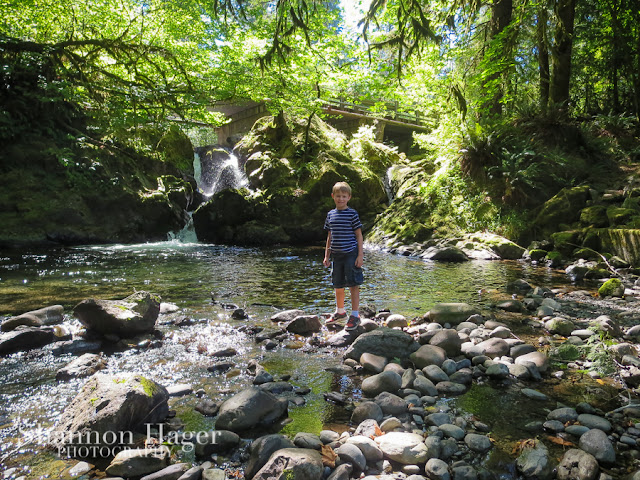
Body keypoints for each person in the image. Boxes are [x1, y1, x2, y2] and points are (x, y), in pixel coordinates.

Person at [323, 181, 364, 331]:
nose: (341, 199)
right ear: (333, 196)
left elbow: (359, 235)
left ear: (349, 197)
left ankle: (355, 315)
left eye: (344, 196)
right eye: (338, 196)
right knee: (337, 284)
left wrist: (360, 255)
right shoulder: (330, 214)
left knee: (353, 283)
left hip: (350, 253)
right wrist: (326, 255)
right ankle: (340, 311)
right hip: (337, 254)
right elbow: (330, 235)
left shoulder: (352, 214)